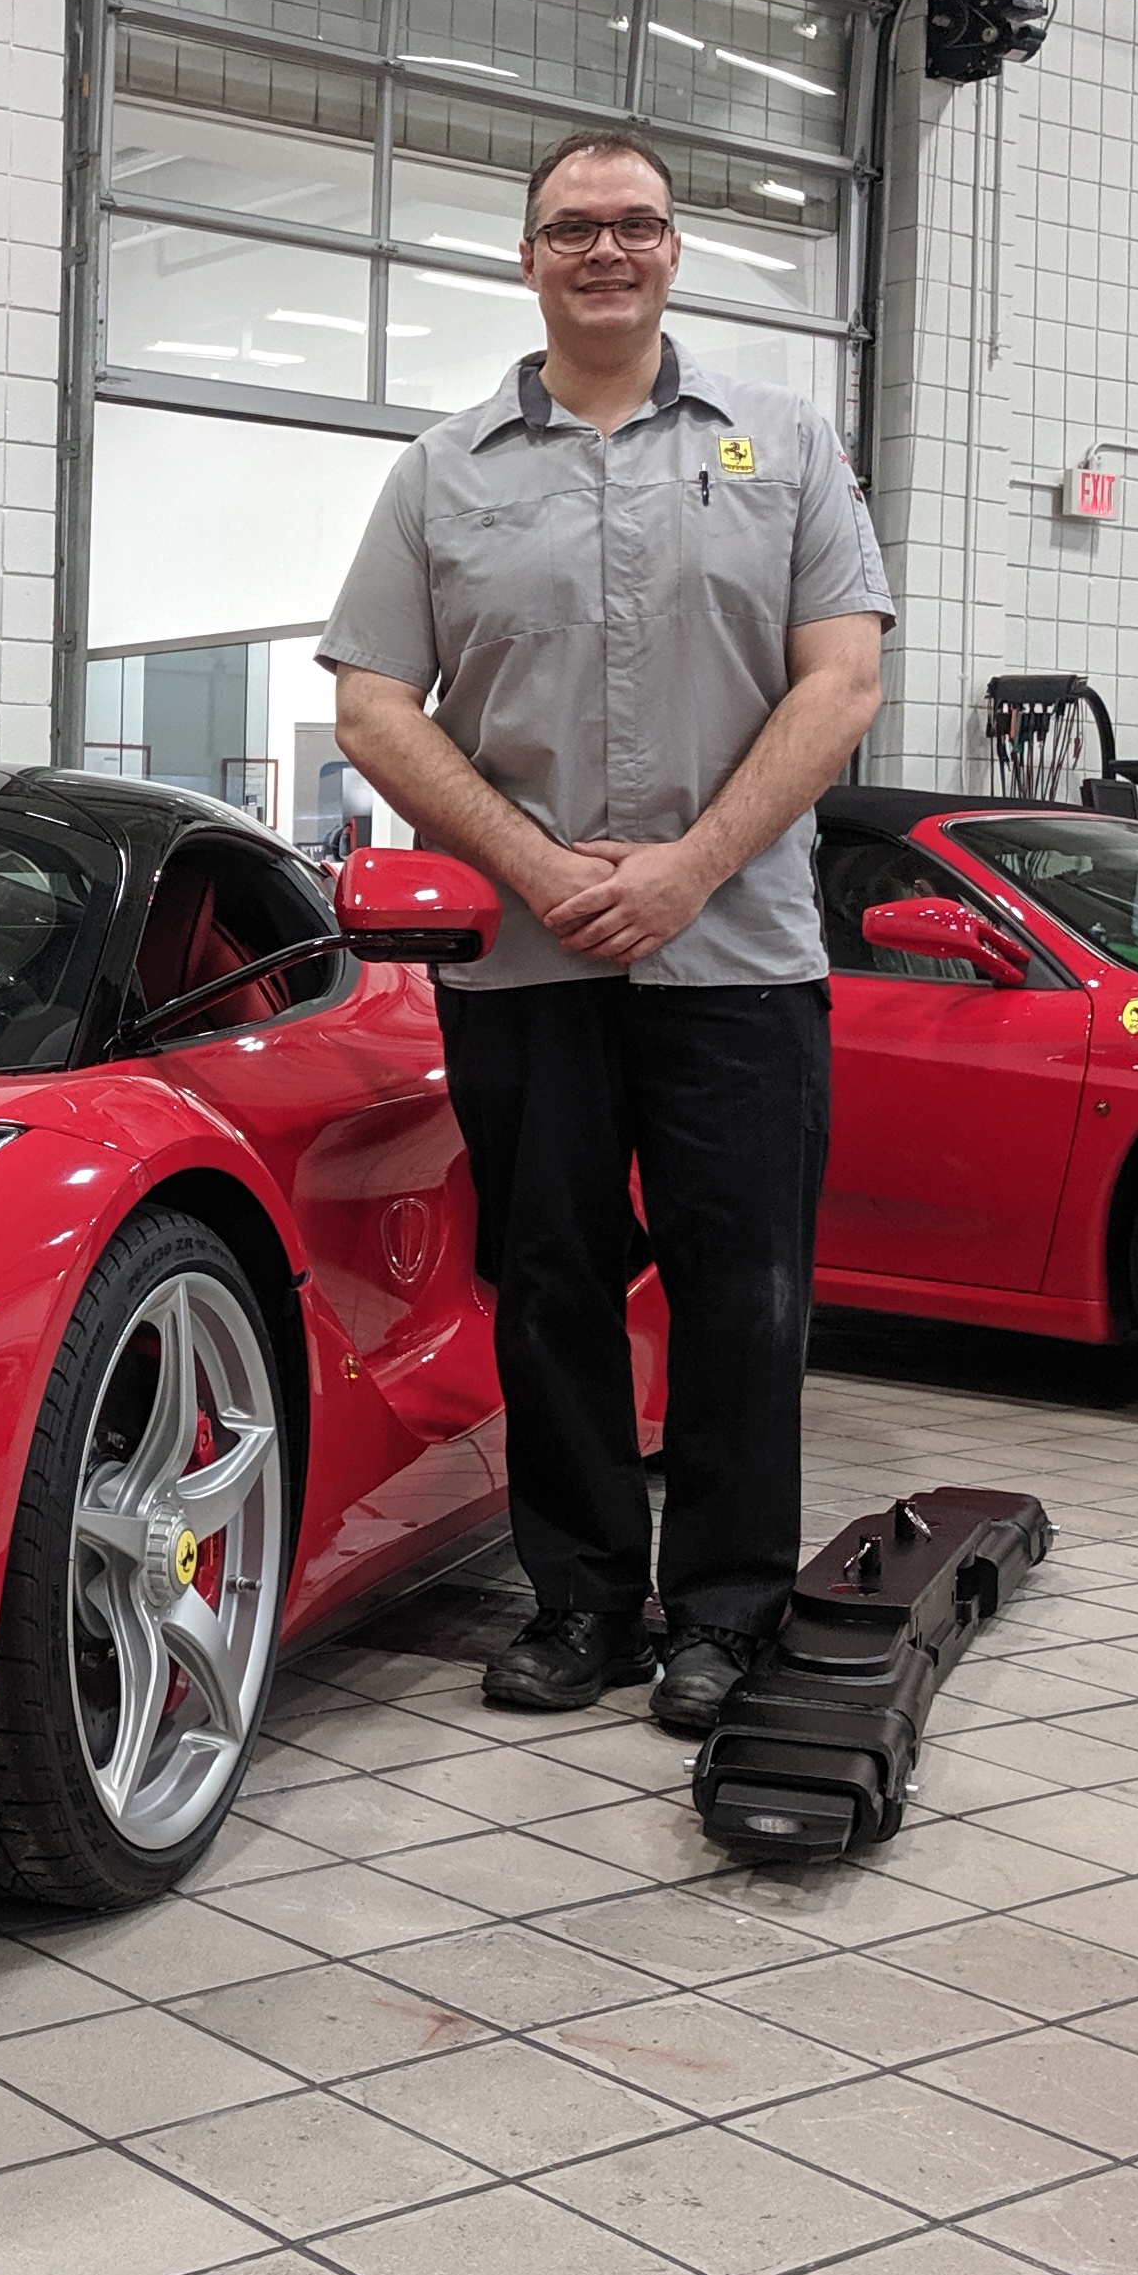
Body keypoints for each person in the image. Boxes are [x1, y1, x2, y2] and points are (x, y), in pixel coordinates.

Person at [319, 129, 889, 1734]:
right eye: (574, 228)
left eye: (635, 224)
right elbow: (375, 703)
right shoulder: (442, 471)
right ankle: (579, 1605)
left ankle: (724, 1611)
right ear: (529, 258)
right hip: (527, 960)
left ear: (672, 253)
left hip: (742, 954)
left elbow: (840, 684)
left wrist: (690, 871)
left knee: (746, 1290)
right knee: (552, 1285)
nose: (606, 251)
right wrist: (537, 866)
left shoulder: (784, 446)